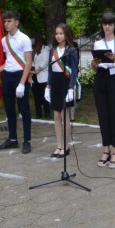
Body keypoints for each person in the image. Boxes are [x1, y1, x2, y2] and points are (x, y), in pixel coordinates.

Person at [0, 11, 33, 154]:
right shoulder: (3, 40)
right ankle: (12, 139)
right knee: (9, 109)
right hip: (7, 75)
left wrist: (22, 83)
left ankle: (27, 141)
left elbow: (28, 62)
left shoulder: (24, 39)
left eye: (9, 21)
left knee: (24, 110)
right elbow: (8, 61)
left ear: (16, 22)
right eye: (5, 21)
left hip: (20, 75)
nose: (7, 24)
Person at [91, 12, 115, 168]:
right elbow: (94, 68)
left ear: (114, 26)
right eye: (105, 24)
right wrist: (94, 63)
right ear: (102, 26)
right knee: (102, 114)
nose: (107, 27)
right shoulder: (98, 44)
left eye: (110, 24)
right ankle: (106, 148)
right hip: (101, 78)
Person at [45, 24, 78, 158]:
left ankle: (66, 146)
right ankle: (59, 145)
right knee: (56, 116)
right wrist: (47, 86)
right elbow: (50, 70)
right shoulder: (52, 50)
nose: (58, 36)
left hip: (66, 83)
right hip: (55, 83)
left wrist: (71, 87)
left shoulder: (71, 51)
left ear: (66, 35)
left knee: (65, 116)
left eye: (61, 33)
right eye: (56, 33)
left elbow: (74, 71)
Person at [31, 33, 51, 119]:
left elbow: (45, 62)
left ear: (36, 39)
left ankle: (47, 113)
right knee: (36, 96)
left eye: (32, 39)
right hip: (34, 76)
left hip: (43, 76)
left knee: (44, 95)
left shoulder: (45, 48)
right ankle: (38, 113)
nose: (31, 41)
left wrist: (37, 71)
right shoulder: (33, 50)